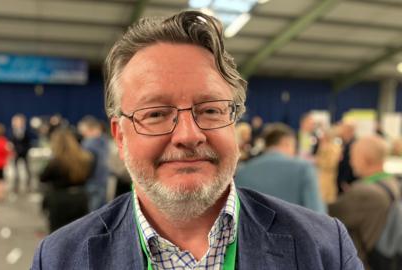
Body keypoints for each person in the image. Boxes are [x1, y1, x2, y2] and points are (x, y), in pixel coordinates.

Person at [31, 11, 362, 269]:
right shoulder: (60, 258)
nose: (189, 135)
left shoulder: (324, 247)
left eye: (210, 109)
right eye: (156, 113)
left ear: (234, 120)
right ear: (120, 135)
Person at [329, 136, 400, 269]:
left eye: (352, 156)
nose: (350, 161)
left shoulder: (362, 192)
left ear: (365, 159)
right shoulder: (393, 184)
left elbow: (326, 216)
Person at [235, 123, 326, 213]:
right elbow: (318, 215)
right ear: (286, 143)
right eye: (294, 146)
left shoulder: (242, 172)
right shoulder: (304, 169)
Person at [40, 129, 93, 232]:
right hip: (80, 198)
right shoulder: (85, 159)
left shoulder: (55, 163)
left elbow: (42, 178)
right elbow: (89, 176)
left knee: (58, 236)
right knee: (80, 232)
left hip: (59, 200)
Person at [78, 116, 110, 212]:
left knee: (93, 214)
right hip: (103, 181)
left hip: (92, 182)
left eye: (83, 131)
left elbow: (84, 165)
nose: (82, 134)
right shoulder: (105, 140)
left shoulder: (88, 144)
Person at [9, 114, 32, 193]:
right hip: (16, 152)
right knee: (15, 168)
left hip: (24, 152)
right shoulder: (12, 131)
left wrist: (26, 149)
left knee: (27, 167)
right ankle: (16, 182)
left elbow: (29, 142)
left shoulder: (26, 131)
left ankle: (28, 183)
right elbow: (11, 141)